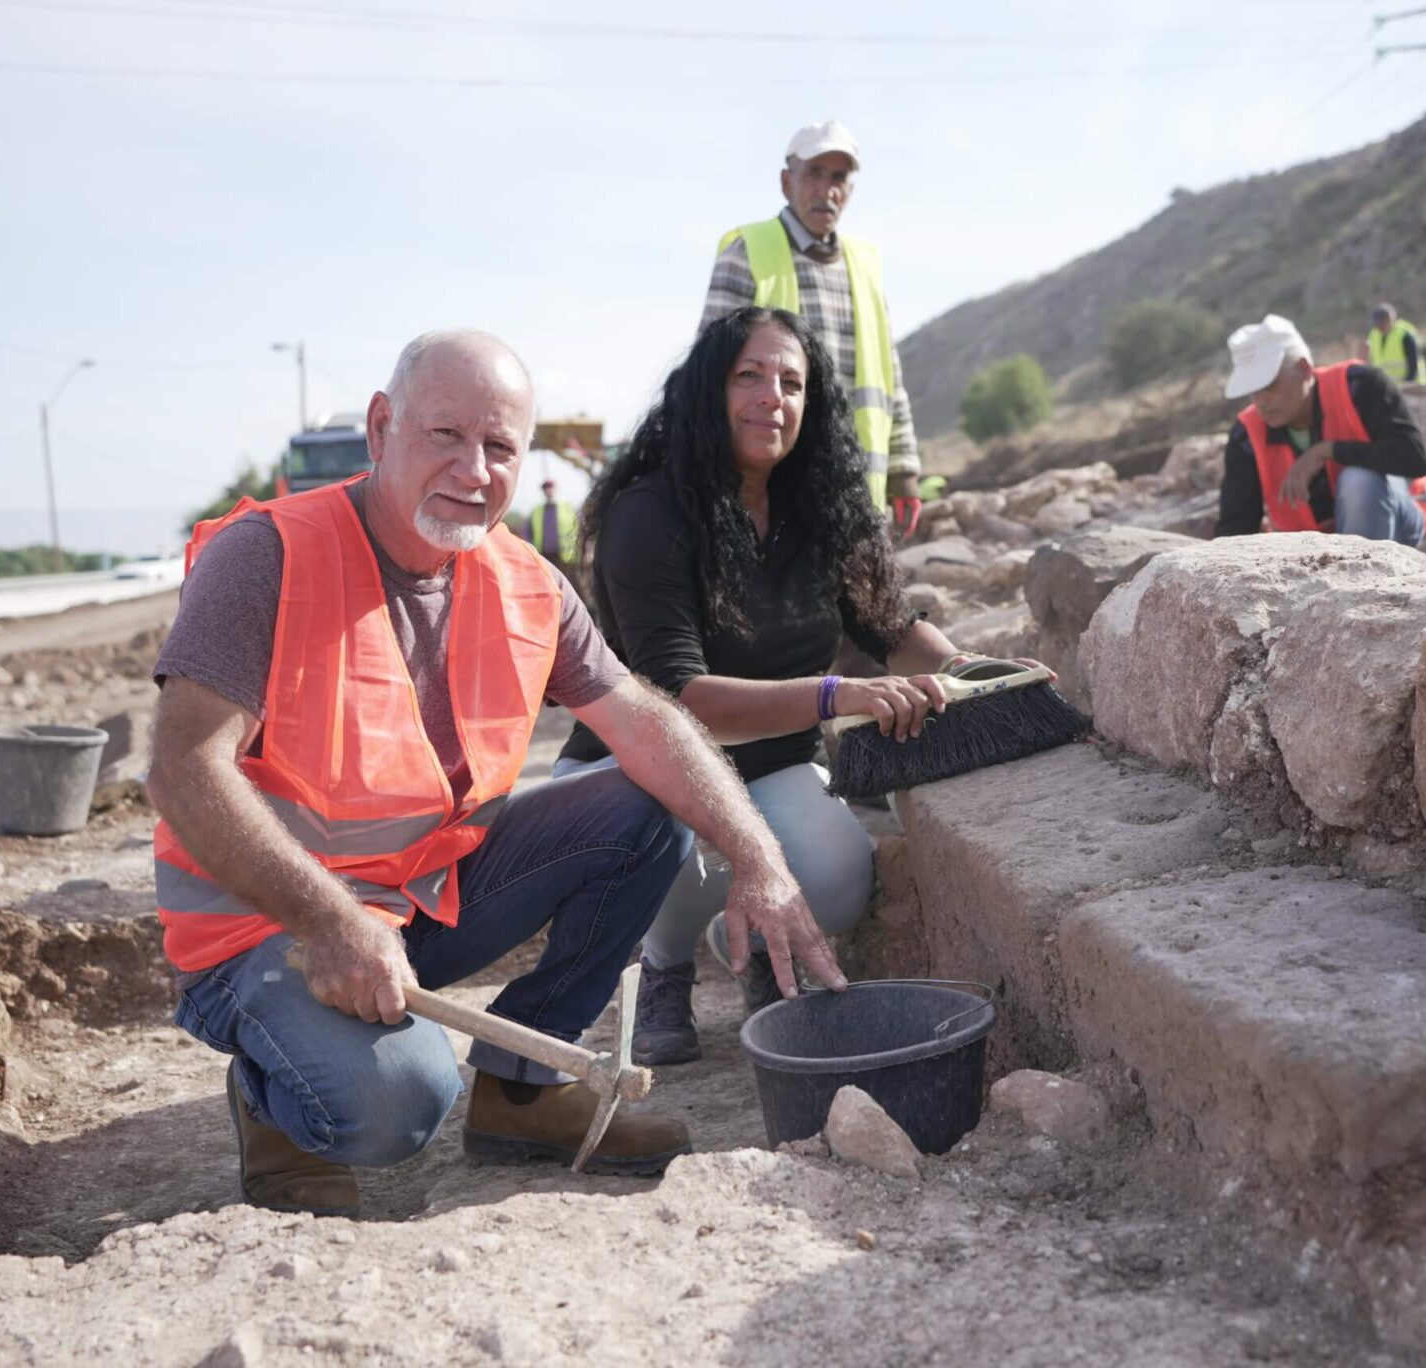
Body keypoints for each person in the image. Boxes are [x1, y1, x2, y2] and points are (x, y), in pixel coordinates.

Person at [146, 330, 847, 1217]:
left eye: (500, 446)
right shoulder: (269, 556)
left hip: (417, 904)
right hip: (270, 928)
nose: (474, 471)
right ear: (381, 427)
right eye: (445, 436)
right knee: (398, 1106)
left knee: (646, 807)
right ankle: (273, 1104)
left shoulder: (526, 583)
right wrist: (327, 918)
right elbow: (183, 770)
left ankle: (523, 1090)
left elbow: (642, 720)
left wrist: (760, 858)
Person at [556, 307, 1031, 1067]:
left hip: (768, 763)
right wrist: (834, 694)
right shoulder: (649, 514)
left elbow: (889, 627)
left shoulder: (821, 507)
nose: (771, 396)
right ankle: (664, 963)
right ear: (710, 389)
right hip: (643, 764)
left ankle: (744, 937)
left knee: (842, 878)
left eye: (791, 382)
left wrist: (968, 671)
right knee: (665, 835)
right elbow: (680, 698)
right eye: (748, 375)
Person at [703, 119, 926, 538]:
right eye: (814, 174)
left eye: (838, 177)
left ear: (850, 190)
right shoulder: (747, 253)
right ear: (788, 182)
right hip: (773, 487)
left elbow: (890, 382)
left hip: (858, 486)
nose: (826, 188)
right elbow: (708, 376)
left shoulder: (865, 268)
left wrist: (903, 470)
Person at [1214, 314, 1426, 547]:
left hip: (1396, 525)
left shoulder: (1359, 386)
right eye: (1252, 390)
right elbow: (1236, 524)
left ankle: (1362, 578)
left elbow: (1415, 458)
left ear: (1304, 368)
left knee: (1359, 481)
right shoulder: (1246, 434)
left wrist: (1327, 451)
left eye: (1269, 385)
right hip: (1313, 553)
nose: (1260, 401)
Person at [526, 477, 582, 593]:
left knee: (574, 588)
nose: (548, 491)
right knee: (551, 588)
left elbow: (581, 528)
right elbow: (527, 532)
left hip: (567, 558)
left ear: (556, 489)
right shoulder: (536, 510)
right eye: (546, 488)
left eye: (551, 487)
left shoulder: (568, 507)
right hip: (545, 557)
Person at [1363, 302, 1426, 386]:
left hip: (1412, 386)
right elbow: (1373, 362)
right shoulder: (1374, 335)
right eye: (1377, 324)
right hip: (1388, 387)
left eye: (1382, 323)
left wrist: (1408, 384)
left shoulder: (1405, 335)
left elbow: (1413, 364)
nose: (1379, 327)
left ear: (1390, 319)